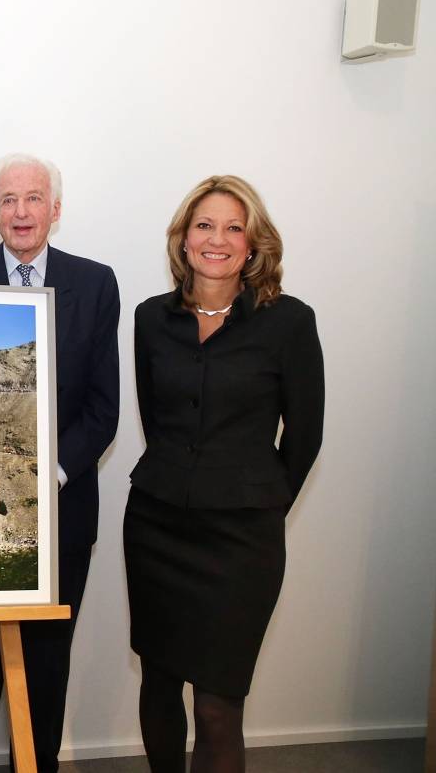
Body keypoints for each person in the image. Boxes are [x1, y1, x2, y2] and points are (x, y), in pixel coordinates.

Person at [125, 175, 324, 773]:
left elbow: (305, 438)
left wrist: (259, 507)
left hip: (241, 543)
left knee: (217, 705)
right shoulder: (150, 319)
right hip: (158, 527)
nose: (218, 239)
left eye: (233, 227)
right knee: (159, 685)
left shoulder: (289, 322)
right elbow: (155, 419)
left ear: (253, 243)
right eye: (204, 225)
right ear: (184, 240)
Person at [0, 154, 120, 773]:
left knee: (46, 657)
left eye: (33, 198)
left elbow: (102, 405)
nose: (21, 212)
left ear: (55, 210)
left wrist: (51, 474)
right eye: (8, 200)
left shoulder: (95, 284)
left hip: (63, 510)